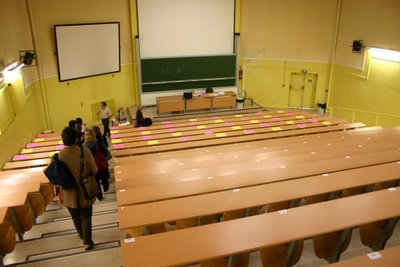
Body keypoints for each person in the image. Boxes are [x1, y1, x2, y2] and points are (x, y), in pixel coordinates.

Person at [58, 127, 97, 251]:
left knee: (75, 216)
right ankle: (87, 241)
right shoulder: (84, 151)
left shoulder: (58, 156)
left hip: (68, 193)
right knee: (86, 216)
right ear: (76, 139)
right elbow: (94, 170)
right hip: (85, 190)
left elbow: (55, 176)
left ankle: (81, 234)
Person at [83, 129, 110, 201]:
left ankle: (99, 196)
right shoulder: (98, 143)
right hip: (100, 165)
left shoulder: (83, 147)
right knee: (104, 177)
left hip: (91, 167)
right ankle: (105, 186)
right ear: (93, 135)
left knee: (96, 182)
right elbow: (106, 153)